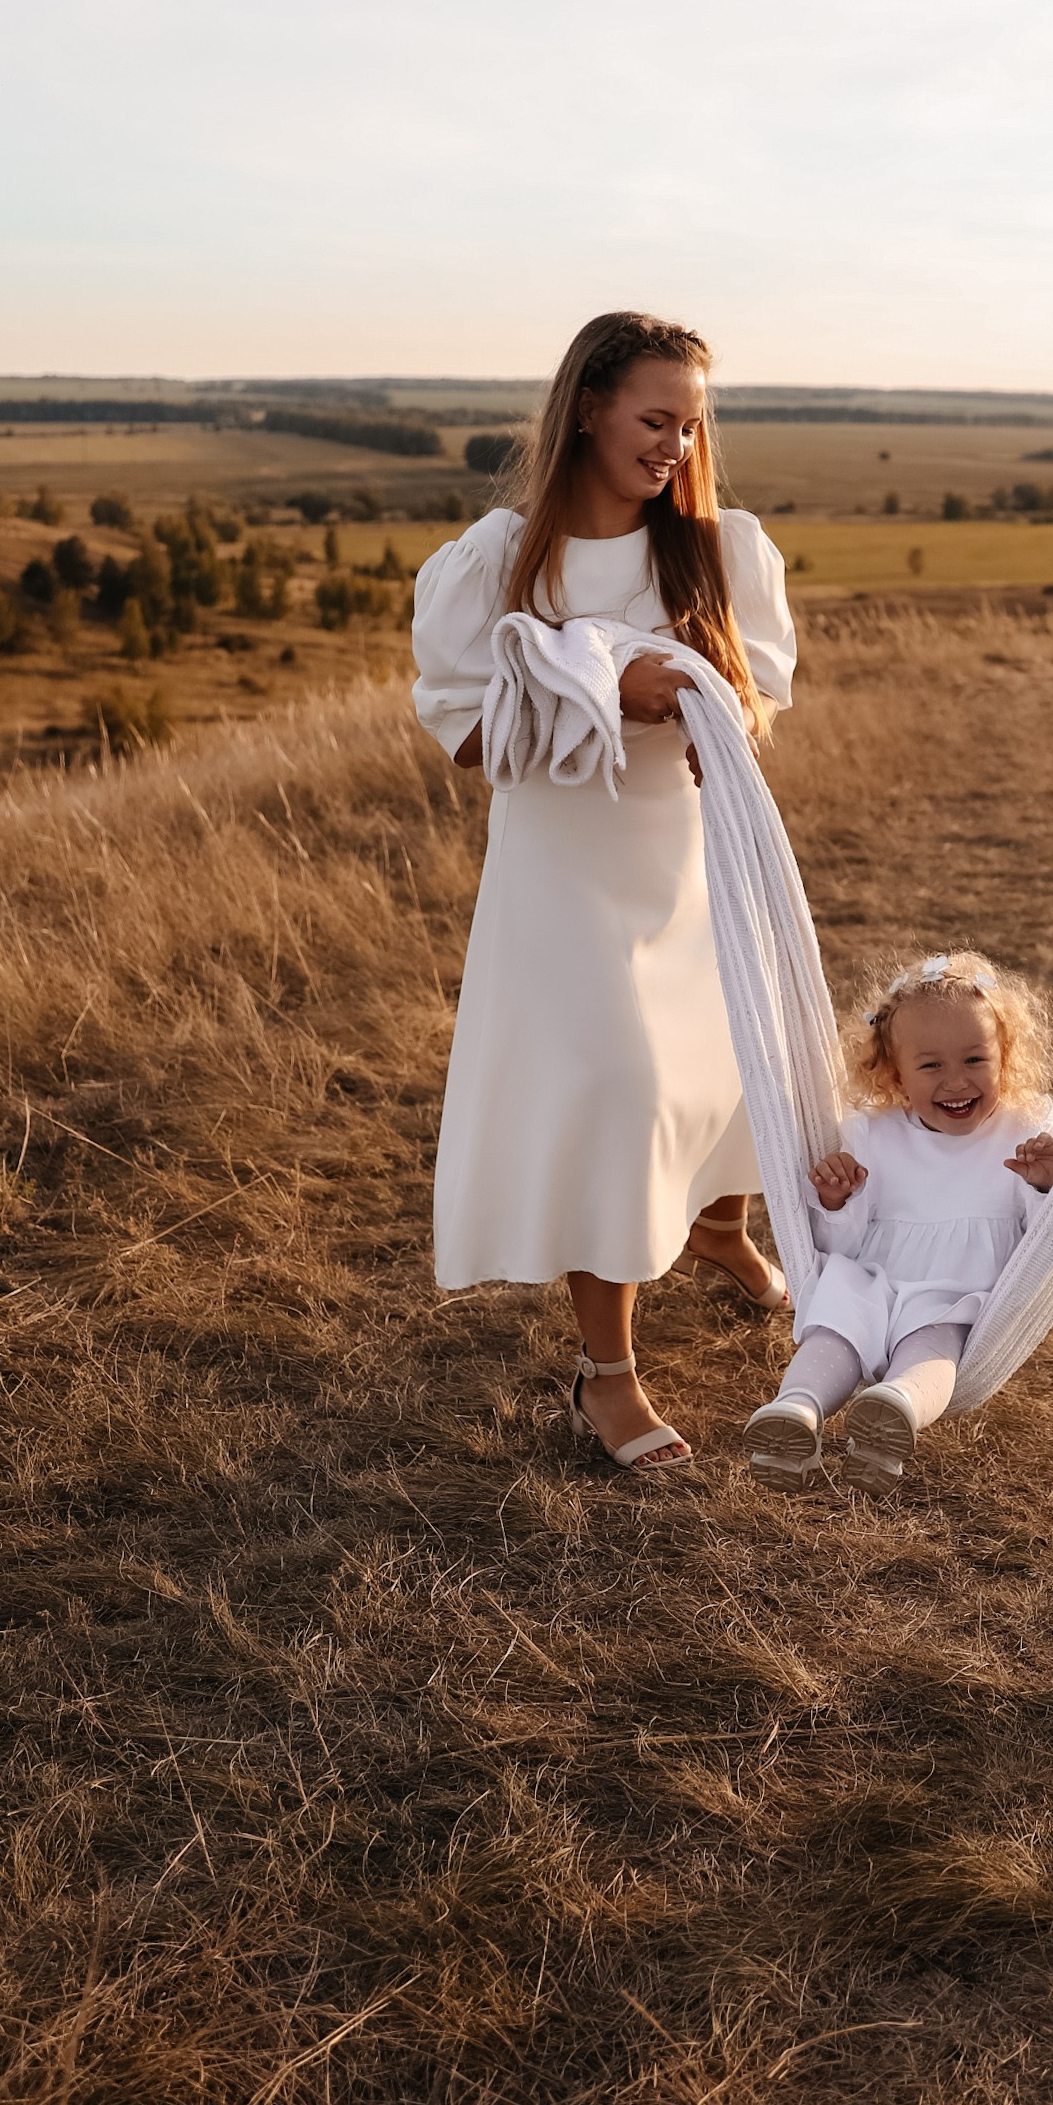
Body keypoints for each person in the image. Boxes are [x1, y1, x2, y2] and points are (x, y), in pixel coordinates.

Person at [411, 312, 797, 1472]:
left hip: (686, 851)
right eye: (654, 419)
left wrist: (712, 706)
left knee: (724, 1057)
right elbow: (465, 735)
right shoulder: (499, 561)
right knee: (621, 1087)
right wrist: (601, 685)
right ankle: (606, 1372)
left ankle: (719, 1226)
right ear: (586, 409)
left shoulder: (719, 549)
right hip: (563, 871)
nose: (675, 445)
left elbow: (760, 698)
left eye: (689, 426)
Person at [741, 951, 1053, 1492]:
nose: (956, 1082)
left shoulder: (1025, 1127)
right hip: (874, 1274)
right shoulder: (872, 1131)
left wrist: (1046, 1184)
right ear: (896, 1073)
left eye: (975, 1059)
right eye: (931, 1066)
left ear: (1004, 1056)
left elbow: (1047, 1242)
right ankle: (795, 1411)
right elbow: (840, 1246)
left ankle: (895, 1409)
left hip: (957, 1287)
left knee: (933, 1344)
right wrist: (837, 1201)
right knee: (835, 1328)